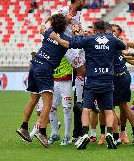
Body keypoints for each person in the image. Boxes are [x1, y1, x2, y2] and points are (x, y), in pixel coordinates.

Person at [50, 20, 127, 150]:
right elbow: (123, 46)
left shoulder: (89, 39)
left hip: (92, 80)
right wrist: (111, 36)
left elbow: (69, 44)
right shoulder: (112, 40)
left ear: (95, 29)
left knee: (86, 109)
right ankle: (109, 133)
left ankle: (85, 134)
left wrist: (64, 35)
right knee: (108, 110)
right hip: (107, 80)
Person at [16, 13, 70, 148]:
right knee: (48, 102)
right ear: (64, 27)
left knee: (33, 99)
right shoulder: (64, 38)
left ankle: (23, 127)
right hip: (45, 68)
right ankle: (43, 132)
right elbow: (68, 43)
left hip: (34, 65)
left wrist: (47, 19)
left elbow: (41, 27)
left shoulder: (48, 32)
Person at [44, 0, 87, 143]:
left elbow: (76, 29)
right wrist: (61, 22)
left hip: (74, 44)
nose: (85, 3)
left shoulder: (79, 15)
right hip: (65, 46)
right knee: (81, 69)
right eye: (83, 0)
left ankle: (80, 96)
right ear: (78, 0)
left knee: (84, 67)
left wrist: (82, 32)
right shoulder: (62, 10)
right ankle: (79, 97)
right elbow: (48, 22)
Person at [111, 24, 134, 145]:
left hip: (121, 77)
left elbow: (129, 58)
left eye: (114, 31)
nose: (112, 32)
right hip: (114, 77)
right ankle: (127, 132)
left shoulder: (119, 45)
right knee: (115, 107)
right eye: (111, 30)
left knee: (119, 106)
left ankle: (120, 133)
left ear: (119, 33)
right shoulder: (110, 43)